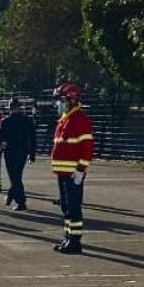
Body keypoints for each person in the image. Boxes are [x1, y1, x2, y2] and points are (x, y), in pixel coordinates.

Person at [51, 83, 94, 254]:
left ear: (72, 100)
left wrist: (81, 169)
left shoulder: (80, 120)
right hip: (63, 172)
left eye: (61, 100)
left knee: (74, 207)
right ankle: (68, 237)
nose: (58, 104)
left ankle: (75, 242)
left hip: (73, 173)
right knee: (66, 207)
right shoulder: (65, 119)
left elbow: (87, 147)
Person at [0, 97, 36, 211]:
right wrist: (32, 154)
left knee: (15, 177)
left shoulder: (5, 121)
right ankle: (12, 194)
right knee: (16, 176)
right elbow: (32, 138)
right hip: (22, 151)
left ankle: (20, 201)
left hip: (10, 152)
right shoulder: (27, 120)